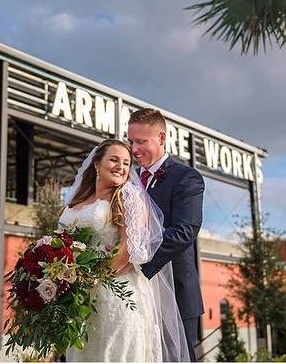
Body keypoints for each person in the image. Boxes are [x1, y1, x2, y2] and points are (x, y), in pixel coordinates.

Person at [58, 139, 189, 362]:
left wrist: (90, 279)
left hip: (116, 296)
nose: (121, 166)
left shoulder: (128, 197)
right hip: (79, 302)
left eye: (127, 163)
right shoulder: (77, 200)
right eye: (114, 159)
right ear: (97, 164)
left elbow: (128, 249)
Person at [127, 108, 205, 362]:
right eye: (131, 141)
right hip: (134, 294)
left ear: (161, 138)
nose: (134, 149)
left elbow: (185, 231)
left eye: (141, 142)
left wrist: (136, 264)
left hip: (176, 292)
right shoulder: (128, 179)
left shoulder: (187, 177)